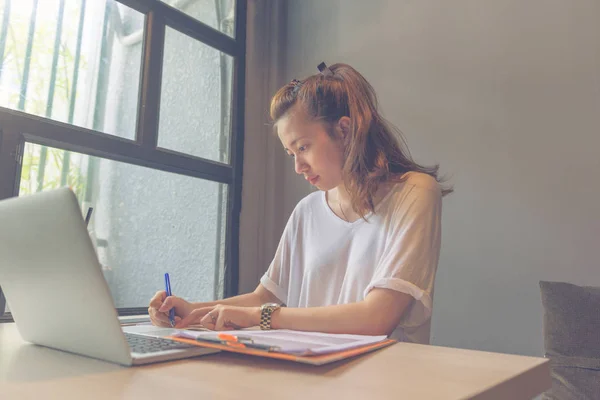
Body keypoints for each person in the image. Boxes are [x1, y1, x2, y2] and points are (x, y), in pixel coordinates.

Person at [148, 62, 452, 344]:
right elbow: (264, 297)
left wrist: (263, 317)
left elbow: (377, 317)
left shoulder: (415, 192)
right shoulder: (307, 211)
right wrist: (191, 311)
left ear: (344, 131)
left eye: (303, 147)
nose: (298, 167)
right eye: (291, 154)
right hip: (311, 374)